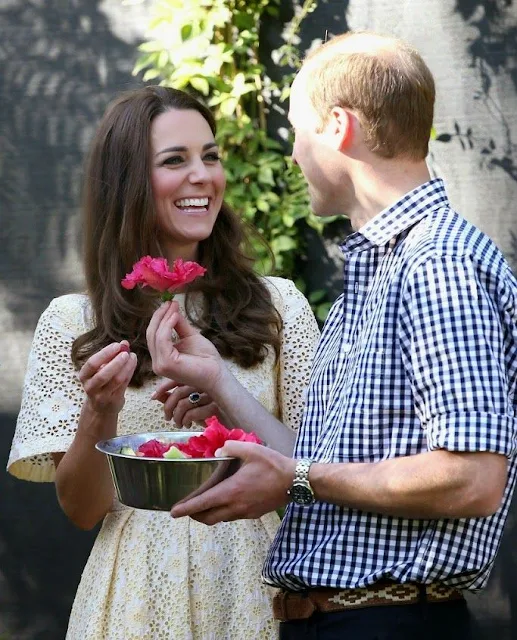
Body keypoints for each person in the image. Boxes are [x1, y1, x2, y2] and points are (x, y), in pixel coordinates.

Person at [145, 32, 517, 640]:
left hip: (395, 624)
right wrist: (217, 379)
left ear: (339, 127)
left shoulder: (438, 265)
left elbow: (472, 477)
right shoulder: (381, 269)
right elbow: (325, 465)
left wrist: (294, 480)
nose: (291, 156)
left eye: (298, 131)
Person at [7, 85, 320, 639]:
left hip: (257, 583)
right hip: (134, 597)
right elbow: (82, 511)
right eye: (175, 161)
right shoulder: (72, 321)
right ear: (128, 183)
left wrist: (226, 394)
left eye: (211, 156)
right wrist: (100, 412)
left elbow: (320, 470)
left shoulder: (278, 306)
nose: (203, 176)